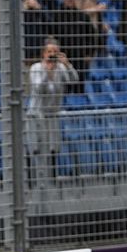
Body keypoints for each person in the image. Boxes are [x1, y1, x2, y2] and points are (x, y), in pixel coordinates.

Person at [27, 39, 77, 185]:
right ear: (43, 53)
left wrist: (68, 65)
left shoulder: (61, 68)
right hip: (36, 114)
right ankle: (33, 181)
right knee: (35, 146)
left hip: (53, 113)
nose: (52, 55)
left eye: (55, 52)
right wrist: (46, 73)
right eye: (49, 52)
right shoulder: (36, 68)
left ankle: (52, 180)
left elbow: (73, 81)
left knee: (53, 146)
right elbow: (38, 89)